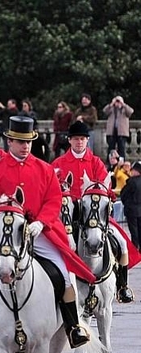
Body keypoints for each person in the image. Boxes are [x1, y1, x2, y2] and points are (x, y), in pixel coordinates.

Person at [0, 116, 96, 350]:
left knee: (64, 273)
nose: (25, 146)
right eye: (20, 141)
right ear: (9, 142)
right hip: (3, 234)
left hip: (40, 232)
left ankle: (73, 327)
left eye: (28, 141)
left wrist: (41, 222)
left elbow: (54, 200)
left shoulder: (45, 169)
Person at [52, 120, 138, 303]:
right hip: (67, 216)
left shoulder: (96, 163)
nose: (79, 142)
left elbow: (106, 190)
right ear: (69, 141)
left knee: (122, 242)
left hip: (94, 216)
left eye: (82, 139)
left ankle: (122, 286)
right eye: (75, 139)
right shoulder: (58, 163)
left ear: (87, 140)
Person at [103, 96, 134, 161]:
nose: (117, 103)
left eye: (118, 101)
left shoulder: (125, 109)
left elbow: (131, 112)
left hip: (122, 132)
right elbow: (105, 111)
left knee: (121, 149)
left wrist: (123, 104)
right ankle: (109, 163)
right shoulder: (111, 108)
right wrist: (111, 104)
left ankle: (121, 164)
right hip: (112, 131)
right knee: (111, 149)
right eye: (116, 101)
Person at [121, 162, 141, 251]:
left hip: (132, 209)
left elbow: (123, 194)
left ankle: (134, 248)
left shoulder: (132, 182)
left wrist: (127, 204)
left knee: (134, 231)